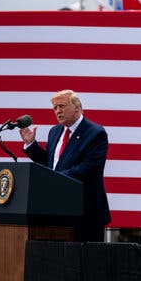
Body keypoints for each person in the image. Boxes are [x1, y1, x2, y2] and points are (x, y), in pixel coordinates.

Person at [20, 89, 111, 242]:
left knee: (87, 262)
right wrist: (31, 144)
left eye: (61, 106)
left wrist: (55, 178)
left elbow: (89, 168)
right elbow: (50, 163)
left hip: (85, 211)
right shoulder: (54, 131)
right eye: (55, 108)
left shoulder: (96, 133)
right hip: (58, 209)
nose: (58, 111)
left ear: (77, 107)